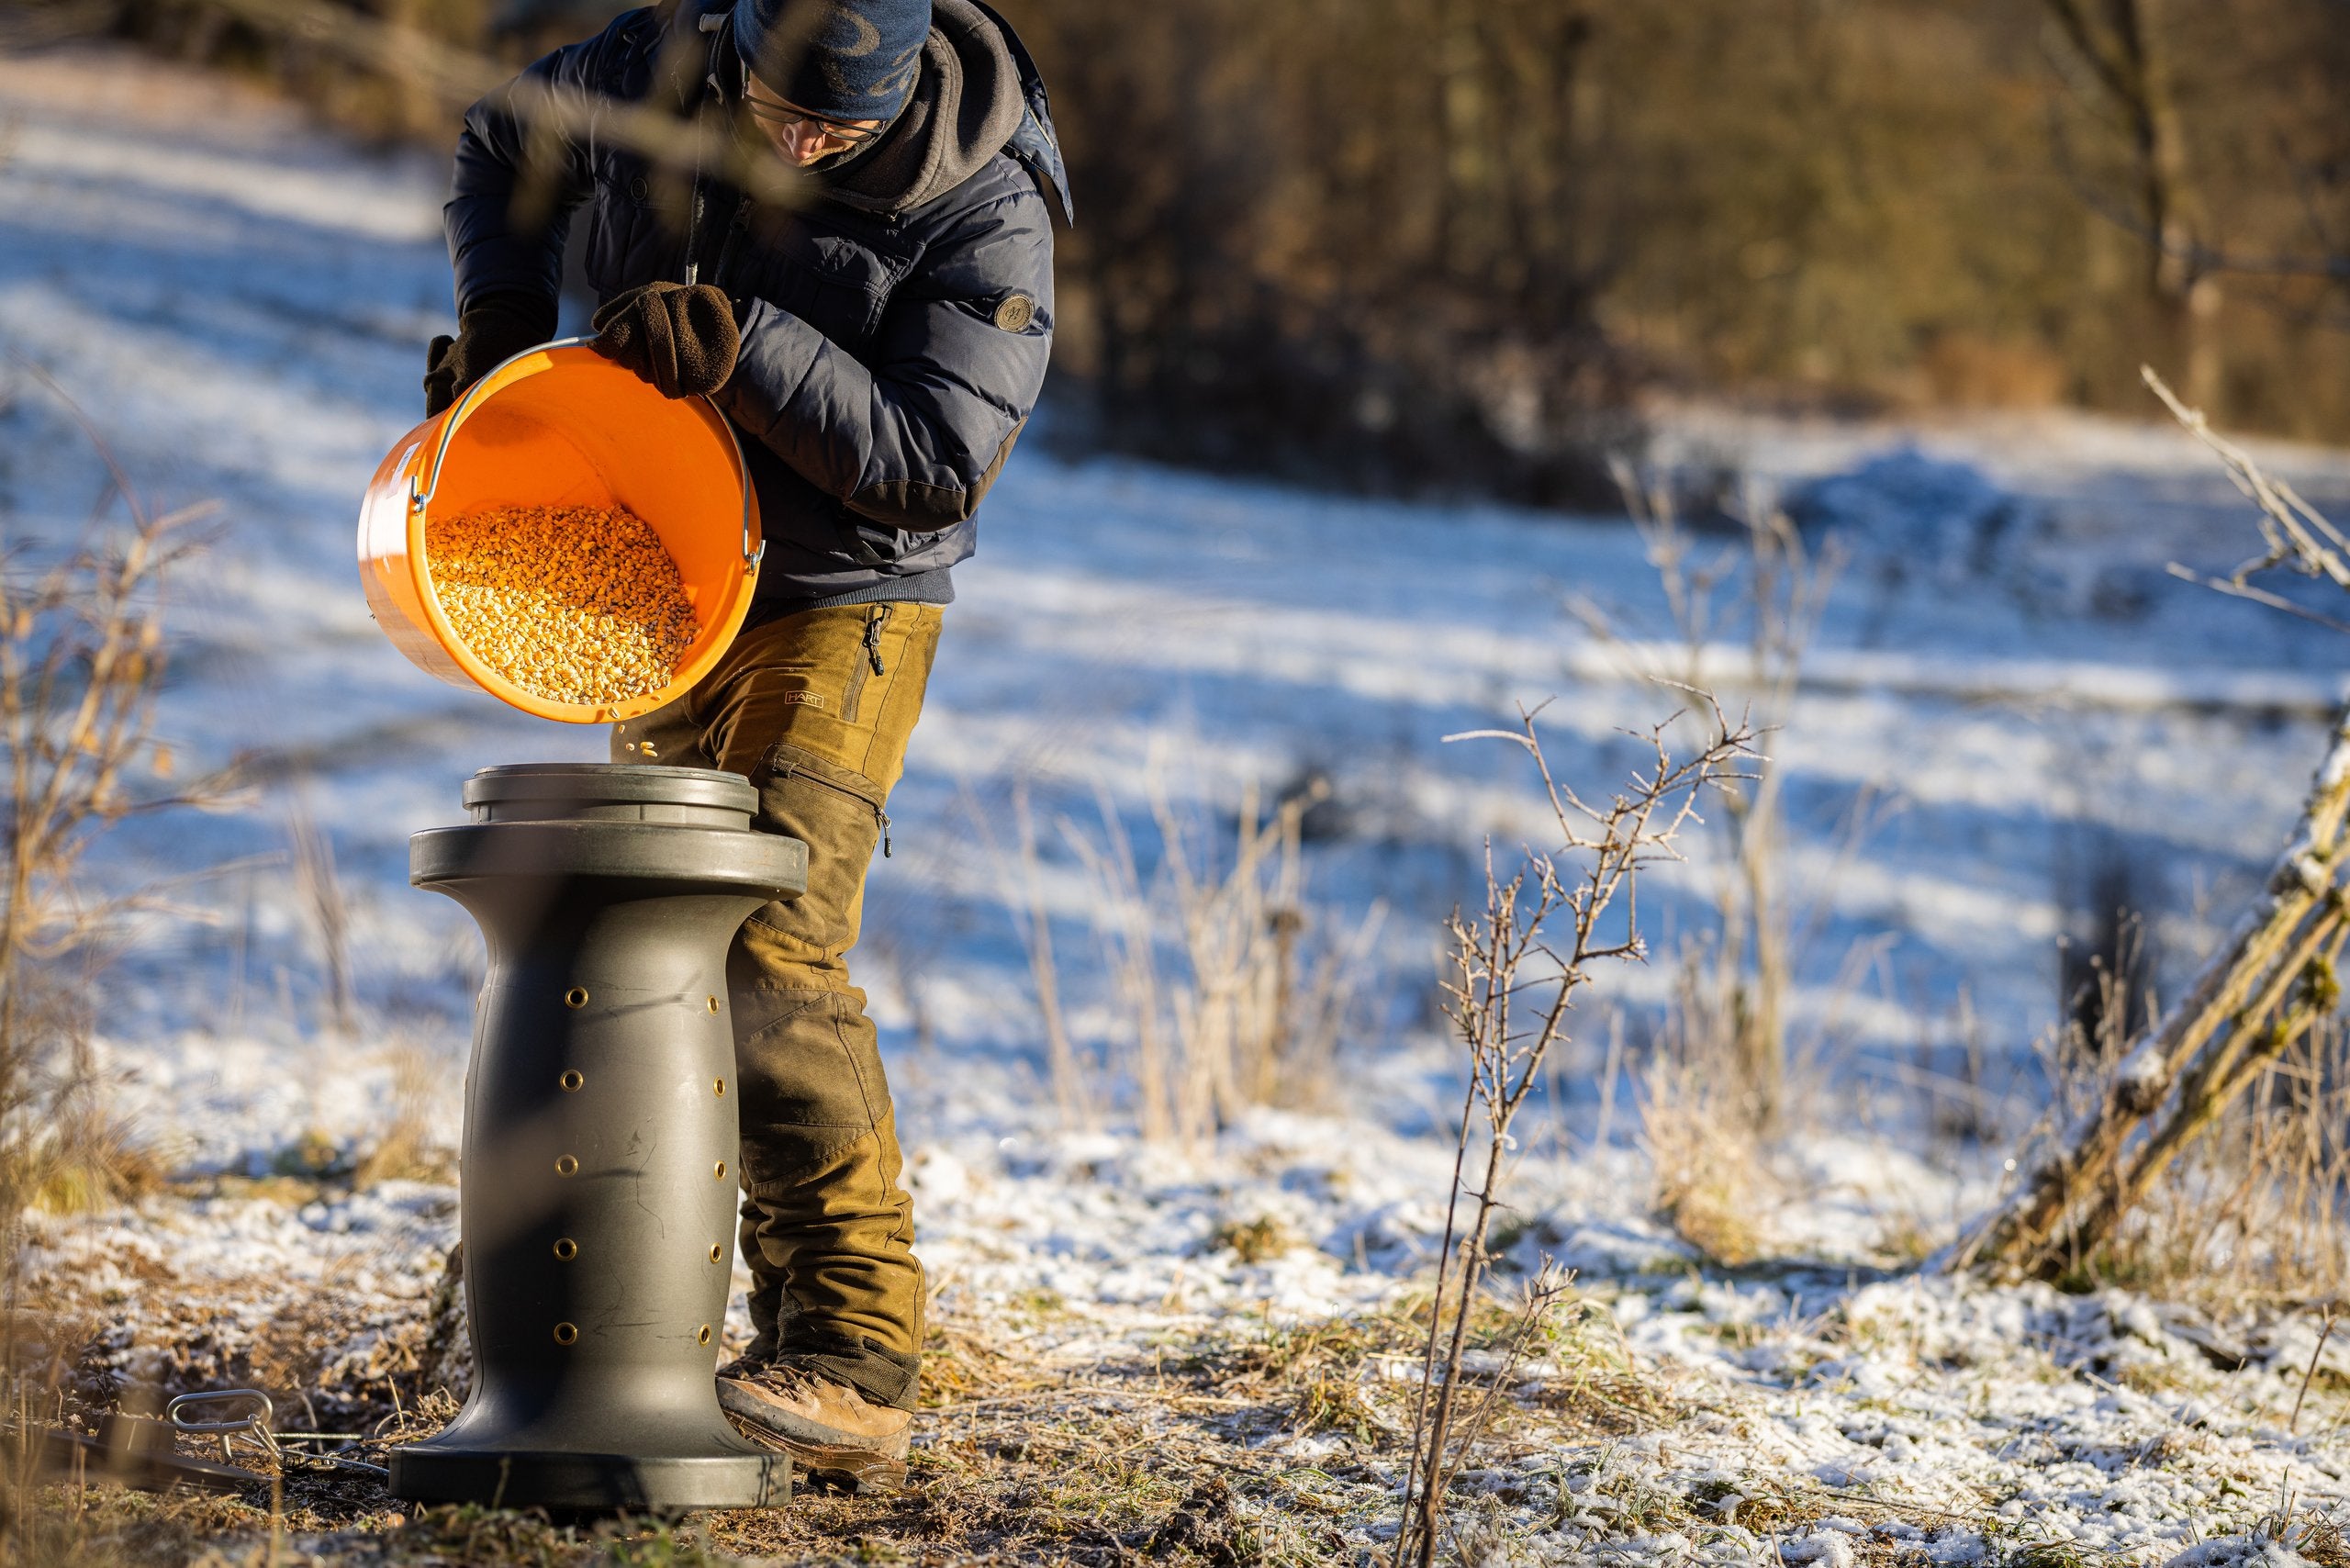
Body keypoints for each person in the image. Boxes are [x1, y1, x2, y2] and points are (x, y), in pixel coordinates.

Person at [429, 0, 1068, 1493]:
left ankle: (848, 1358)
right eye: (770, 111)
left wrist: (751, 346)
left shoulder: (988, 203)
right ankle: (645, 1345)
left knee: (770, 944)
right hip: (660, 566)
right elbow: (499, 146)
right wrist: (513, 341)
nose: (791, 146)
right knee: (646, 944)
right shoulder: (660, 62)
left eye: (829, 135)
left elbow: (932, 464)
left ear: (899, 95)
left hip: (847, 600)